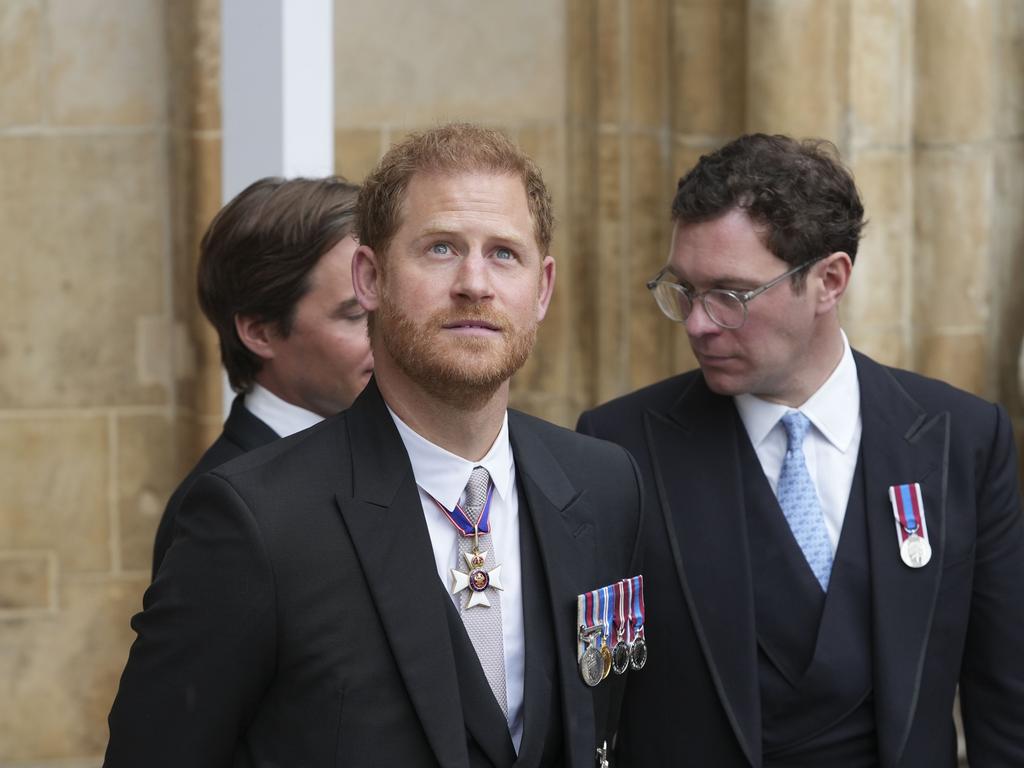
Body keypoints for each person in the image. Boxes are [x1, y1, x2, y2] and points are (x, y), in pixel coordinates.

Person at [106, 123, 643, 767]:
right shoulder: (256, 520)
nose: (475, 282)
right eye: (441, 249)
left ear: (542, 290)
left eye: (504, 253)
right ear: (370, 278)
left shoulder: (604, 484)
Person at [578, 134, 1024, 767]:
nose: (699, 324)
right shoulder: (617, 447)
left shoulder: (963, 439)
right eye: (684, 289)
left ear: (829, 281)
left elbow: (1006, 701)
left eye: (730, 295)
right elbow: (594, 690)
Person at [151, 176, 373, 578]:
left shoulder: (391, 451)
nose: (390, 338)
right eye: (356, 315)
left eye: (388, 305)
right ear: (259, 332)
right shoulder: (218, 512)